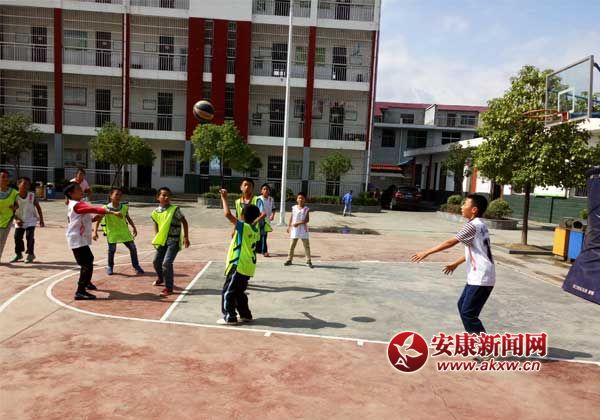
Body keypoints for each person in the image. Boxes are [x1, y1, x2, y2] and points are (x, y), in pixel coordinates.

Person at [411, 194, 495, 334]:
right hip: (479, 276)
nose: (462, 207)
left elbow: (450, 242)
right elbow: (476, 252)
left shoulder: (472, 226)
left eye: (465, 204)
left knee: (468, 313)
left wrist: (427, 252)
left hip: (481, 277)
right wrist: (456, 263)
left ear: (474, 209)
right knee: (462, 306)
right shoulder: (480, 225)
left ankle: (484, 345)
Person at [64, 182, 122, 300]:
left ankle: (87, 283)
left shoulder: (77, 204)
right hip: (76, 238)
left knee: (89, 260)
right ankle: (80, 291)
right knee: (86, 264)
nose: (81, 190)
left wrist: (97, 217)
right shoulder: (76, 205)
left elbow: (89, 219)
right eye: (78, 189)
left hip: (80, 238)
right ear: (71, 193)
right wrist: (111, 212)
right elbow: (93, 209)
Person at [218, 188, 261, 325]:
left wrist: (224, 198)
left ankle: (230, 316)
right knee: (239, 292)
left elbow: (227, 214)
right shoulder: (256, 231)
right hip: (248, 267)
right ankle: (245, 314)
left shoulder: (245, 227)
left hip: (238, 265)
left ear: (242, 215)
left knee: (228, 292)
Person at [93, 187, 144, 275]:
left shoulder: (124, 207)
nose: (118, 197)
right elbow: (98, 220)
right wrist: (95, 232)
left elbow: (128, 218)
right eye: (116, 194)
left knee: (133, 248)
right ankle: (110, 266)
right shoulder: (105, 208)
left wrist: (134, 227)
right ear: (111, 196)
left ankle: (136, 266)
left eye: (120, 195)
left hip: (124, 232)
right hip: (112, 232)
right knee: (112, 250)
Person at [151, 187, 190, 297]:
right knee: (156, 262)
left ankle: (169, 288)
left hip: (174, 241)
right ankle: (161, 278)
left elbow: (184, 222)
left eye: (168, 195)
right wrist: (157, 236)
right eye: (163, 195)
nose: (166, 197)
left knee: (166, 263)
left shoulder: (174, 210)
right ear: (158, 197)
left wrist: (186, 237)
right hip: (162, 241)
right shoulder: (155, 212)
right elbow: (156, 223)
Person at [10, 177, 44, 263]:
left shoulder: (31, 195)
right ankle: (18, 254)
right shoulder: (14, 196)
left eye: (28, 184)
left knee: (29, 236)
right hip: (20, 220)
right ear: (18, 185)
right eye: (24, 183)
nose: (26, 186)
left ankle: (30, 254)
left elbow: (38, 207)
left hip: (31, 220)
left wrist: (41, 220)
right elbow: (11, 210)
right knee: (17, 237)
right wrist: (16, 219)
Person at [284, 192, 313, 268]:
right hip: (295, 229)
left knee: (306, 246)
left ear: (305, 200)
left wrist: (298, 223)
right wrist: (289, 226)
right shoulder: (294, 208)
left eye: (302, 198)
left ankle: (308, 260)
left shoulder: (306, 209)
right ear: (297, 199)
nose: (300, 199)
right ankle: (289, 259)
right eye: (299, 198)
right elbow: (291, 217)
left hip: (303, 230)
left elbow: (307, 220)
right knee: (292, 246)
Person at [0, 169, 18, 263]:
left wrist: (14, 207)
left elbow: (19, 205)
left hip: (7, 220)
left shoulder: (14, 192)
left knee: (1, 241)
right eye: (3, 177)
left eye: (7, 177)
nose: (6, 179)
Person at [257, 183, 275, 257]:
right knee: (261, 235)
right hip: (259, 220)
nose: (266, 190)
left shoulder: (271, 199)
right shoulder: (258, 199)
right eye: (264, 189)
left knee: (263, 235)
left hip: (267, 220)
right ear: (261, 191)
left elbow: (273, 208)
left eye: (267, 189)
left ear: (269, 191)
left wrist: (272, 215)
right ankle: (264, 251)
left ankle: (259, 249)